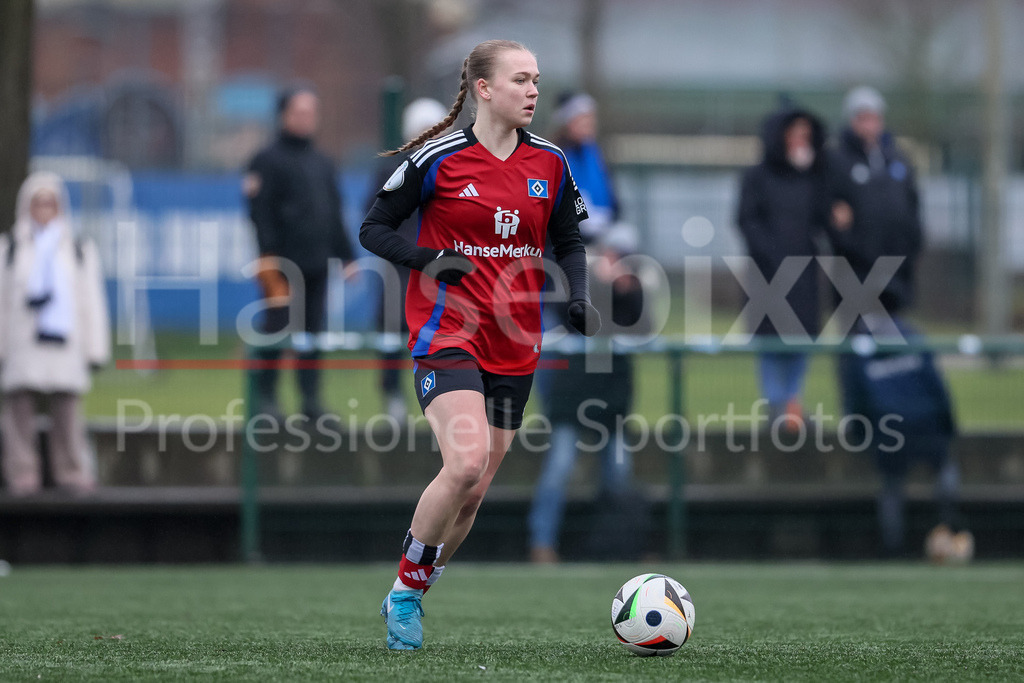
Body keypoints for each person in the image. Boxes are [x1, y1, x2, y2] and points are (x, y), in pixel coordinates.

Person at [360, 39, 599, 650]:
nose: (534, 91)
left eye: (538, 80)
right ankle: (407, 595)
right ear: (484, 89)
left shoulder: (550, 161)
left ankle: (409, 590)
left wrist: (577, 295)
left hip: (517, 340)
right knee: (462, 464)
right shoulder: (436, 157)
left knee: (474, 492)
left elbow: (570, 240)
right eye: (521, 80)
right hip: (447, 332)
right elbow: (373, 228)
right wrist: (428, 260)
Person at [826, 86, 966, 558]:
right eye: (862, 117)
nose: (870, 124)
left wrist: (908, 253)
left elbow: (911, 210)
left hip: (894, 280)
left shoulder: (897, 158)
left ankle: (947, 524)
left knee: (900, 361)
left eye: (875, 117)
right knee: (861, 363)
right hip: (855, 281)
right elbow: (834, 220)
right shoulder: (839, 161)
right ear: (852, 121)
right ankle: (863, 424)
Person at [528, 224, 648, 564]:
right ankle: (542, 543)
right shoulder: (575, 274)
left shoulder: (632, 286)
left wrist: (625, 288)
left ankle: (619, 545)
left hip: (612, 399)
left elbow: (641, 324)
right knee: (559, 468)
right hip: (573, 396)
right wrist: (596, 279)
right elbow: (569, 312)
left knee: (619, 475)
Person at [244, 86, 353, 422]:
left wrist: (346, 256)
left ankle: (310, 402)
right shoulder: (266, 160)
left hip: (317, 263)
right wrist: (269, 258)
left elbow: (333, 213)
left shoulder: (322, 162)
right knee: (276, 330)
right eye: (299, 112)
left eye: (311, 112)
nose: (307, 119)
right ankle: (266, 400)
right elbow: (259, 213)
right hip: (281, 263)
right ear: (284, 115)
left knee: (311, 334)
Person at [0, 172, 110, 496]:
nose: (44, 209)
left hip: (66, 344)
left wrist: (95, 349)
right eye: (39, 203)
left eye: (51, 203)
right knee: (18, 409)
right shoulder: (11, 249)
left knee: (68, 412)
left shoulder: (77, 250)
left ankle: (72, 472)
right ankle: (22, 473)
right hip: (24, 342)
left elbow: (91, 302)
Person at [736, 104, 829, 430]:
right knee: (771, 344)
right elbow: (746, 221)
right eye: (795, 134)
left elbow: (823, 220)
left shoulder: (815, 177)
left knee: (801, 341)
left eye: (806, 134)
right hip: (767, 277)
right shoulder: (757, 177)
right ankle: (775, 406)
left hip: (804, 278)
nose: (801, 141)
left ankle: (792, 405)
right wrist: (774, 255)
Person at [369, 97, 451, 423]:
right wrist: (407, 251)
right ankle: (393, 397)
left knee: (440, 335)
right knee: (392, 330)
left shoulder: (450, 169)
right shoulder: (392, 171)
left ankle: (440, 399)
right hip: (401, 269)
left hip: (438, 270)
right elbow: (374, 221)